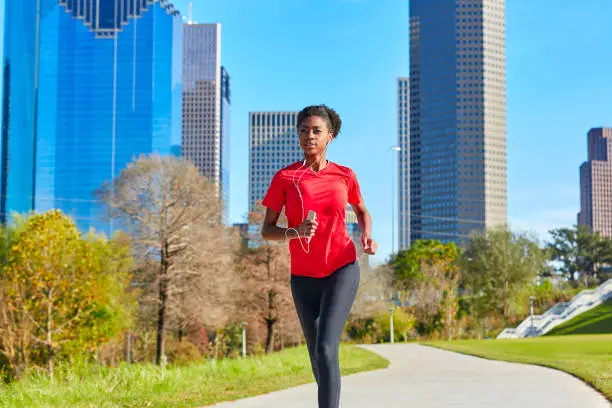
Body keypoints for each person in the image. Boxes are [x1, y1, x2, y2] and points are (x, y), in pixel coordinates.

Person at [261, 104, 377, 408]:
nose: (308, 136)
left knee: (326, 348)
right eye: (303, 130)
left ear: (330, 136)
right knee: (317, 356)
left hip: (342, 267)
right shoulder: (286, 177)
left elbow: (361, 210)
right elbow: (267, 229)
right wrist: (296, 232)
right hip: (303, 277)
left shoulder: (344, 175)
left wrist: (366, 234)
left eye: (316, 131)